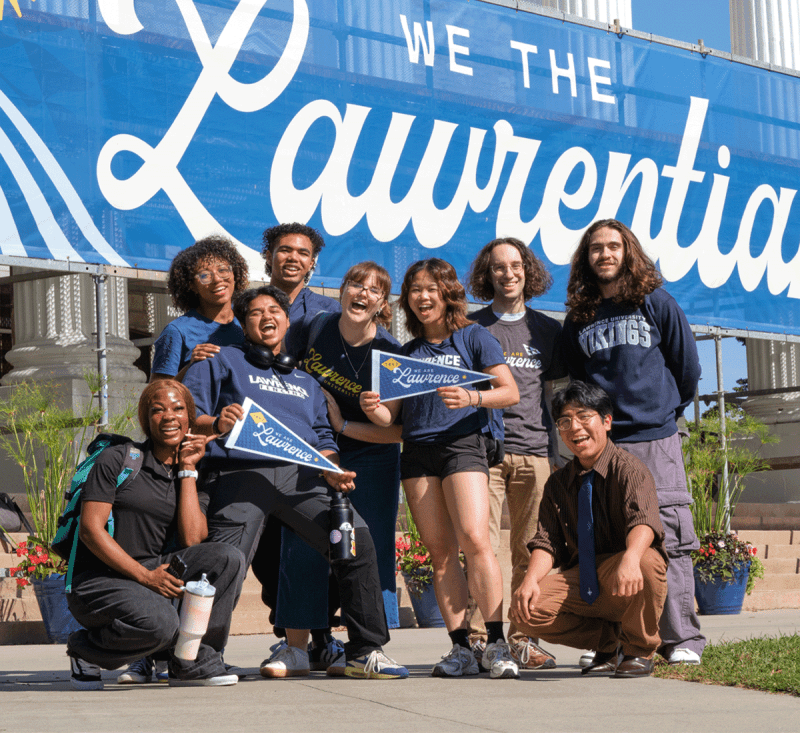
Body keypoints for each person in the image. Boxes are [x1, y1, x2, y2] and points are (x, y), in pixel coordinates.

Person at [182, 285, 408, 679]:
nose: (266, 317)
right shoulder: (220, 360)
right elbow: (189, 416)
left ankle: (365, 651)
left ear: (287, 321)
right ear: (243, 324)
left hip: (302, 477)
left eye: (274, 310)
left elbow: (323, 437)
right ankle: (196, 656)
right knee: (224, 560)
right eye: (255, 312)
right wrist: (216, 423)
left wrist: (332, 468)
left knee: (356, 540)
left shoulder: (306, 382)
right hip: (240, 473)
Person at [361, 258, 520, 679]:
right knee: (440, 552)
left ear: (448, 293)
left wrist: (472, 398)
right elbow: (391, 419)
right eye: (415, 290)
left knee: (475, 539)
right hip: (417, 452)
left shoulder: (473, 336)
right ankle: (460, 647)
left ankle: (496, 642)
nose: (422, 296)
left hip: (462, 445)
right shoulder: (405, 353)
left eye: (431, 288)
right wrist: (372, 408)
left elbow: (509, 391)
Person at [561, 218, 706, 665]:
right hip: (605, 445)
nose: (604, 254)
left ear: (628, 252)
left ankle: (681, 639)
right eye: (596, 248)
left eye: (613, 246)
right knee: (609, 541)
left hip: (655, 438)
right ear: (586, 258)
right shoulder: (580, 315)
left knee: (670, 536)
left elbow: (687, 369)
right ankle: (619, 642)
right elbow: (576, 381)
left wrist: (663, 414)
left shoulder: (655, 301)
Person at [260, 262, 403, 678]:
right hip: (313, 450)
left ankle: (366, 649)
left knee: (366, 546)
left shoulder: (390, 352)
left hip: (371, 455)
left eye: (373, 290)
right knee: (302, 540)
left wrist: (345, 424)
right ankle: (296, 649)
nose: (362, 293)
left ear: (382, 302)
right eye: (355, 284)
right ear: (342, 290)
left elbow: (395, 430)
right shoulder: (314, 326)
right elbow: (278, 370)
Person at [66, 381, 246, 690]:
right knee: (162, 625)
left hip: (155, 570)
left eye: (178, 409)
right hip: (100, 579)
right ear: (146, 419)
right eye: (158, 410)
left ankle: (192, 659)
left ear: (190, 418)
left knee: (227, 557)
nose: (169, 416)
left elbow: (192, 539)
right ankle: (85, 650)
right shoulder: (118, 459)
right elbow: (90, 531)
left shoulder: (196, 471)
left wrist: (187, 470)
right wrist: (146, 576)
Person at [509, 381, 668, 678]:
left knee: (647, 561)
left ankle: (639, 649)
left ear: (606, 421)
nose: (575, 427)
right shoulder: (557, 483)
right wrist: (529, 580)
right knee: (524, 611)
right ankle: (608, 644)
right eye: (565, 421)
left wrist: (631, 558)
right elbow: (546, 541)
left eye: (584, 416)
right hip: (583, 579)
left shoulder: (630, 469)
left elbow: (644, 521)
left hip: (624, 574)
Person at [466, 237, 566, 670]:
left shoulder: (547, 330)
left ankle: (524, 638)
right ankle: (478, 640)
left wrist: (558, 453)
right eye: (498, 267)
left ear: (528, 270)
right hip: (482, 451)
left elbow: (554, 394)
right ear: (487, 275)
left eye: (515, 265)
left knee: (531, 549)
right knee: (480, 547)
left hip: (535, 451)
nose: (508, 273)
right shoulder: (470, 327)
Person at [255, 222, 344, 672]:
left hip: (316, 445)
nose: (293, 258)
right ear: (268, 256)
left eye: (303, 252)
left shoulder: (330, 312)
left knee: (315, 545)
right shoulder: (249, 306)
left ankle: (321, 636)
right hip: (258, 447)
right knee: (266, 551)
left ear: (313, 262)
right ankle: (290, 632)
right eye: (284, 250)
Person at [151, 235, 250, 381]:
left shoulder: (250, 321)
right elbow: (157, 390)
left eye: (223, 270)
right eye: (204, 275)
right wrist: (190, 367)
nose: (217, 279)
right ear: (192, 285)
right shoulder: (177, 331)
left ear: (235, 274)